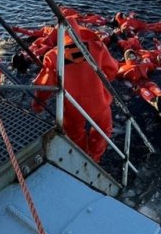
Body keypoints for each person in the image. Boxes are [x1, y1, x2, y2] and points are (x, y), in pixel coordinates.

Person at [32, 17, 118, 162]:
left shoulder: (54, 55)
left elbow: (45, 85)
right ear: (78, 31)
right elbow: (112, 70)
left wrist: (38, 104)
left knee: (75, 135)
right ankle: (95, 157)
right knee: (103, 131)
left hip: (73, 108)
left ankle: (82, 158)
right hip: (99, 103)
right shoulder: (97, 47)